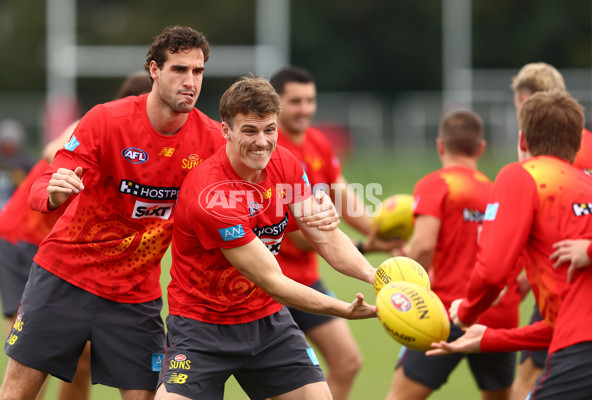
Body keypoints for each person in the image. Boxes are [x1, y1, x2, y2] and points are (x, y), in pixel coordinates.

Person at [0, 25, 226, 400]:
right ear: (154, 70)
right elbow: (49, 177)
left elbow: (250, 189)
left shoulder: (213, 140)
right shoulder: (106, 120)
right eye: (179, 70)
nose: (190, 81)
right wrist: (52, 194)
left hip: (135, 296)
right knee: (17, 393)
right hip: (64, 279)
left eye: (197, 72)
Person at [156, 76, 378, 400]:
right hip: (202, 328)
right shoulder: (211, 194)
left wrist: (375, 275)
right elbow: (272, 279)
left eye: (269, 129)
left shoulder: (286, 163)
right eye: (249, 131)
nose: (262, 142)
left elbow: (325, 238)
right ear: (226, 131)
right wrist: (341, 309)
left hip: (267, 322)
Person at [0, 70, 152, 400]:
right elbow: (54, 150)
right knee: (33, 360)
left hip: (61, 251)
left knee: (82, 359)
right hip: (22, 238)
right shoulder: (101, 124)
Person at [427, 91, 592, 399]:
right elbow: (560, 325)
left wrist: (467, 311)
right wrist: (489, 338)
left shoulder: (521, 175)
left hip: (581, 353)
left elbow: (492, 272)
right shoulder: (588, 185)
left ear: (523, 140)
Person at [268, 65, 398, 400]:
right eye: (295, 101)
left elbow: (343, 194)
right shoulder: (270, 149)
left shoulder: (316, 141)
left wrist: (385, 235)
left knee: (347, 361)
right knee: (276, 384)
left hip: (307, 277)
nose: (305, 109)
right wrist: (363, 247)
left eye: (310, 100)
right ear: (277, 104)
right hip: (272, 282)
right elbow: (298, 233)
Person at [384, 110, 520, 400]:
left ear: (440, 145)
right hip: (498, 316)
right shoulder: (497, 190)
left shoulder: (436, 183)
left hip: (444, 314)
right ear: (481, 148)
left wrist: (406, 288)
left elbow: (423, 247)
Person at [509, 62, 592, 400]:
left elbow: (533, 224)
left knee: (527, 383)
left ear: (526, 100)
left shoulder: (543, 157)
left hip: (564, 283)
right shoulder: (587, 140)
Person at [0, 118, 35, 221]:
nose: (8, 149)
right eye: (5, 145)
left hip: (15, 206)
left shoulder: (26, 163)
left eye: (11, 146)